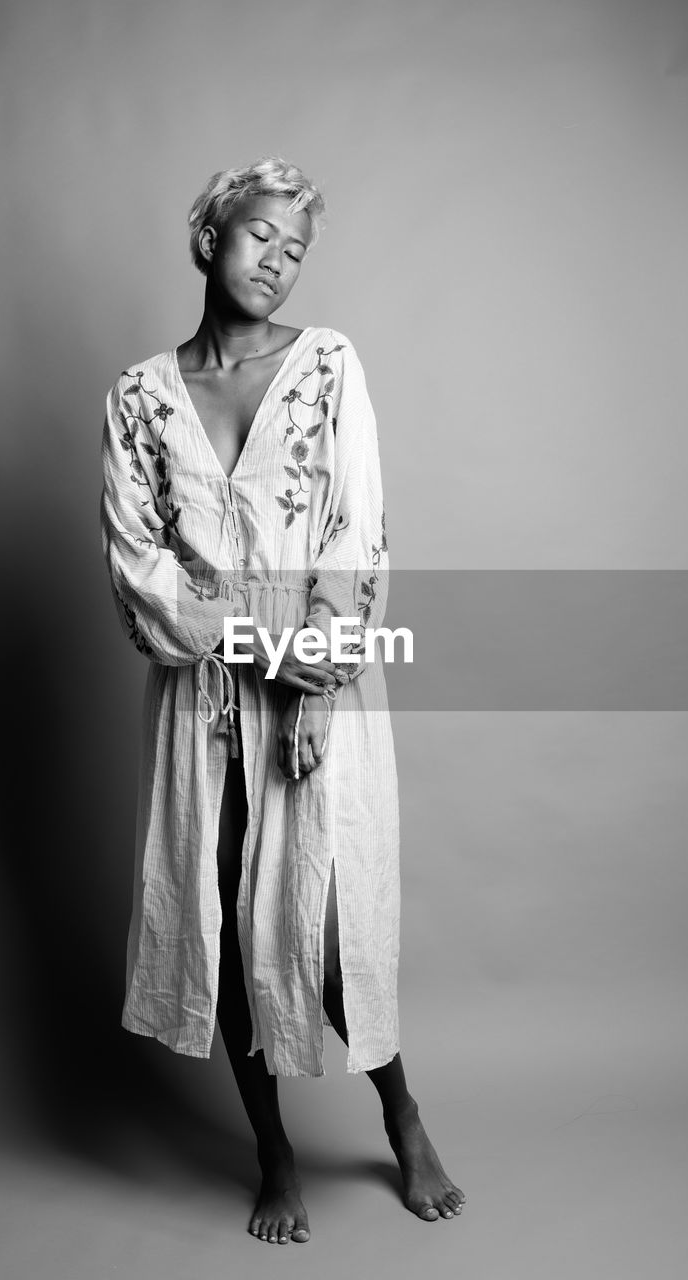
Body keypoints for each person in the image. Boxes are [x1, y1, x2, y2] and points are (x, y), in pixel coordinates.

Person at [100, 157, 465, 1244]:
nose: (280, 259)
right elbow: (137, 567)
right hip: (205, 693)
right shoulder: (135, 395)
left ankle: (398, 1110)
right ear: (208, 236)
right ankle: (271, 1147)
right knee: (216, 920)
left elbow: (356, 528)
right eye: (262, 234)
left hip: (320, 681)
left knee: (329, 915)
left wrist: (317, 683)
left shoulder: (327, 364)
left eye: (297, 246)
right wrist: (255, 645)